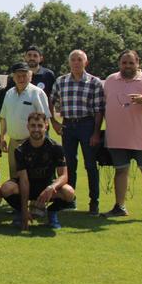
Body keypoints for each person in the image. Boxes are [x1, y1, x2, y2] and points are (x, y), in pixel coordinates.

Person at [101, 50, 142, 222]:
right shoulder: (110, 80)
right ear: (119, 64)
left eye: (131, 63)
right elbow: (103, 105)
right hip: (117, 138)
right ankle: (119, 206)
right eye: (124, 63)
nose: (127, 66)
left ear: (137, 63)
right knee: (121, 172)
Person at [51, 49, 105, 215]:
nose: (76, 63)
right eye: (73, 60)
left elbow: (99, 110)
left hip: (87, 125)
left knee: (90, 165)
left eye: (79, 60)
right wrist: (54, 122)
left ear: (85, 62)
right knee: (70, 166)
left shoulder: (94, 82)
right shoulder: (61, 81)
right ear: (69, 63)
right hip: (68, 125)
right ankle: (70, 199)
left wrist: (96, 132)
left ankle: (94, 202)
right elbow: (50, 101)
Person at [0, 112, 76, 229]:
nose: (36, 129)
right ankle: (20, 213)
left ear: (46, 126)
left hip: (46, 188)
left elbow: (64, 176)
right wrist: (24, 209)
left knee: (69, 192)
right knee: (6, 188)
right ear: (28, 127)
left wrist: (52, 187)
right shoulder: (20, 150)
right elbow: (24, 181)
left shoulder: (56, 147)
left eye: (40, 126)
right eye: (33, 125)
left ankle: (52, 212)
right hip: (27, 187)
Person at [0, 62, 51, 179]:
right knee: (14, 176)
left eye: (24, 75)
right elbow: (3, 117)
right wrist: (2, 137)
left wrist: (41, 143)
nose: (21, 78)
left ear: (30, 76)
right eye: (18, 75)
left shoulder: (37, 93)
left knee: (32, 177)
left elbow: (45, 119)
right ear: (13, 77)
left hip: (32, 143)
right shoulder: (9, 93)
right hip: (13, 143)